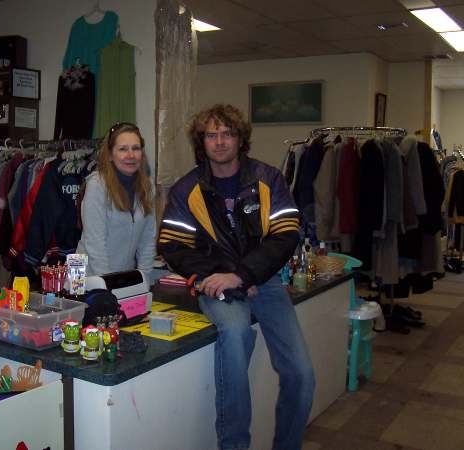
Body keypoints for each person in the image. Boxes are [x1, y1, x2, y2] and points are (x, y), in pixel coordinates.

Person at [158, 104, 315, 450]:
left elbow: (286, 234)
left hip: (265, 282)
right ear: (201, 142)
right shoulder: (187, 190)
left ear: (240, 138)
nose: (219, 141)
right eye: (211, 135)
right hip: (216, 284)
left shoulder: (268, 179)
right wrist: (229, 276)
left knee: (301, 375)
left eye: (227, 133)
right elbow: (172, 245)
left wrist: (245, 274)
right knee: (235, 336)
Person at [76, 122, 155, 277]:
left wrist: (145, 280)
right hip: (84, 274)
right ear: (111, 155)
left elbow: (148, 240)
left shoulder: (148, 186)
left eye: (136, 148)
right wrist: (109, 284)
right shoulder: (97, 185)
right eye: (123, 149)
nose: (131, 155)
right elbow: (95, 245)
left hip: (122, 275)